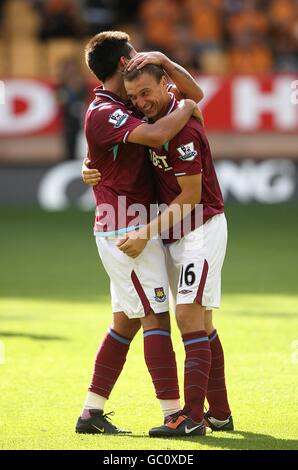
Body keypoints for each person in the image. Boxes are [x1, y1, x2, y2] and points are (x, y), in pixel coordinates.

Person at [76, 31, 206, 436]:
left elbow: (191, 94)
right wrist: (186, 108)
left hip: (130, 219)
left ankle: (91, 413)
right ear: (122, 62)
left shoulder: (126, 103)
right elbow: (155, 135)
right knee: (154, 317)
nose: (139, 55)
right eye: (133, 52)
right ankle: (172, 414)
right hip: (125, 225)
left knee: (126, 322)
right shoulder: (104, 110)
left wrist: (173, 76)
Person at [117, 64, 233, 437]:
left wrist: (144, 234)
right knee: (203, 324)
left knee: (187, 316)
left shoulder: (184, 130)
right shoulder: (158, 119)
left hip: (200, 229)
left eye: (146, 93)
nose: (140, 103)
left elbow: (191, 197)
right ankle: (220, 414)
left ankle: (192, 419)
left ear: (166, 86)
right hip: (176, 235)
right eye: (134, 97)